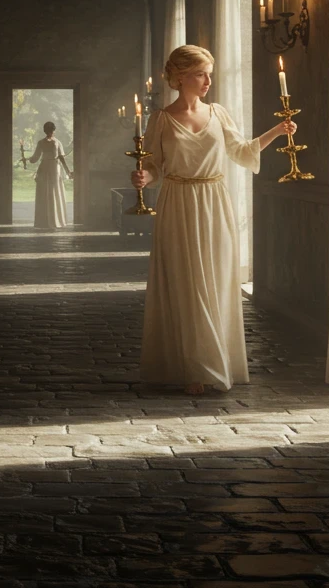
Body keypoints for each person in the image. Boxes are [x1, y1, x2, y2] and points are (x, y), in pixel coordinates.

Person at [131, 45, 296, 395]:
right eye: (201, 73)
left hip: (215, 203)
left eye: (209, 73)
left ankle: (217, 361)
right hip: (177, 204)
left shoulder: (218, 113)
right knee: (186, 282)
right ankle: (194, 367)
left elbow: (241, 151)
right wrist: (144, 178)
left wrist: (277, 132)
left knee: (218, 282)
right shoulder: (161, 118)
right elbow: (154, 165)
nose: (208, 80)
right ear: (180, 77)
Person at [27, 121, 74, 228]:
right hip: (47, 169)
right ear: (47, 131)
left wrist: (67, 171)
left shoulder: (55, 142)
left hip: (53, 169)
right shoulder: (48, 142)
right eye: (48, 130)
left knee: (52, 192)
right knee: (46, 192)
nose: (50, 132)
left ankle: (51, 220)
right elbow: (35, 158)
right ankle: (48, 221)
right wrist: (27, 159)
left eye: (50, 130)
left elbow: (61, 158)